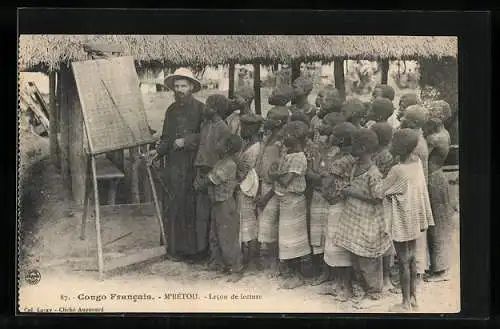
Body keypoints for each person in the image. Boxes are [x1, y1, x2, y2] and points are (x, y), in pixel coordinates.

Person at [333, 128, 392, 309]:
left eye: (354, 144)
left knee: (368, 259)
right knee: (357, 257)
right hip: (355, 220)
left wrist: (352, 192)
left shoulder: (373, 173)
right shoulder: (355, 166)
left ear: (363, 147)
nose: (350, 147)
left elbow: (377, 197)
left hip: (368, 221)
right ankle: (362, 288)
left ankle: (374, 292)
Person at [150, 68, 205, 262]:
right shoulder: (171, 110)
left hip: (193, 164)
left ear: (191, 87)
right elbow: (166, 137)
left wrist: (187, 140)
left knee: (191, 205)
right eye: (177, 86)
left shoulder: (201, 109)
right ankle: (175, 248)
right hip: (174, 165)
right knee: (174, 204)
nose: (179, 89)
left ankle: (194, 252)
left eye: (183, 86)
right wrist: (158, 152)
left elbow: (207, 135)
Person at [377, 128, 434, 311]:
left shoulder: (397, 170)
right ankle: (414, 299)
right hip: (414, 219)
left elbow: (380, 191)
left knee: (403, 262)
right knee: (410, 260)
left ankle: (405, 303)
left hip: (401, 221)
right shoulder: (416, 164)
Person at [269, 121, 313, 289]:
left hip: (294, 201)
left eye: (287, 135)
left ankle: (300, 275)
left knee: (296, 238)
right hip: (286, 201)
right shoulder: (288, 154)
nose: (283, 137)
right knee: (288, 237)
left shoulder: (299, 158)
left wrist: (274, 175)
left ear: (295, 138)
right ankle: (291, 270)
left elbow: (287, 180)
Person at [193, 94, 232, 267]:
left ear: (215, 109)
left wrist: (210, 177)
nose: (204, 108)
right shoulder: (206, 125)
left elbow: (222, 155)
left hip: (213, 177)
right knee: (202, 216)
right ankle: (205, 252)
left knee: (216, 219)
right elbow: (201, 151)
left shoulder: (223, 128)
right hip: (201, 173)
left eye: (207, 105)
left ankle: (219, 258)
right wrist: (197, 174)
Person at [321, 122, 358, 301]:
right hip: (345, 203)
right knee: (339, 244)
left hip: (338, 204)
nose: (332, 137)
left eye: (335, 135)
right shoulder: (353, 158)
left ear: (341, 139)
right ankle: (339, 284)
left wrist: (329, 195)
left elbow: (328, 183)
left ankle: (345, 286)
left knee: (339, 245)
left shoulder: (342, 160)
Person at [256, 91, 291, 273]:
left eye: (270, 117)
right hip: (264, 187)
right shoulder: (268, 138)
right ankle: (270, 261)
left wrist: (267, 195)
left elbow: (279, 173)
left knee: (272, 226)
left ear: (278, 122)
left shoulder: (282, 144)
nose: (266, 119)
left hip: (274, 191)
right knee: (266, 226)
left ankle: (278, 264)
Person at [203, 134, 245, 283]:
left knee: (227, 237)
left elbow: (212, 179)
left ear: (227, 148)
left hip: (225, 203)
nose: (217, 144)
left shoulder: (229, 164)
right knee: (215, 235)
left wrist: (201, 180)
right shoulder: (222, 161)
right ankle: (218, 264)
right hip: (217, 202)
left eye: (219, 142)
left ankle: (236, 267)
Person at [423, 100, 453, 283]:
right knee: (438, 222)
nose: (430, 115)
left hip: (433, 179)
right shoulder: (444, 133)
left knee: (436, 224)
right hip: (438, 177)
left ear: (442, 116)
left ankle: (439, 269)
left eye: (433, 112)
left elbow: (423, 160)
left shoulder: (434, 138)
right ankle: (437, 266)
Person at [400, 105, 431, 281]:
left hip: (416, 189)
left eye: (405, 117)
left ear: (412, 122)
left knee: (417, 232)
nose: (402, 118)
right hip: (416, 188)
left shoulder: (416, 142)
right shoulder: (417, 138)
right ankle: (415, 269)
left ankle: (418, 271)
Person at [370, 122, 397, 292]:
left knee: (384, 240)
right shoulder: (383, 153)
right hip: (382, 199)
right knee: (383, 240)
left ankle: (384, 278)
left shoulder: (383, 155)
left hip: (382, 200)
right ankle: (383, 278)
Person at [237, 114, 264, 272]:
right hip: (244, 187)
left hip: (248, 188)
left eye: (245, 127)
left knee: (250, 224)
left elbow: (246, 171)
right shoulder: (248, 145)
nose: (242, 130)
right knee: (247, 223)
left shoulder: (255, 148)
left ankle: (253, 259)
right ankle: (250, 257)